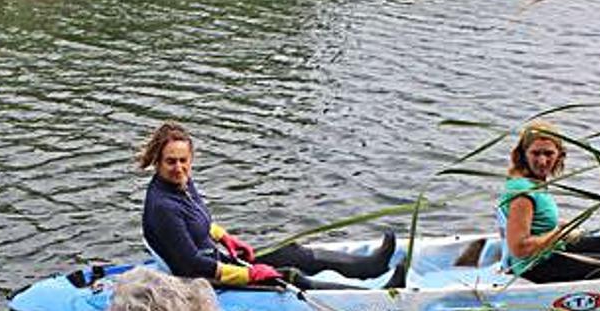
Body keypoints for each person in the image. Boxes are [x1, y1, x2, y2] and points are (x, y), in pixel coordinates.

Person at [138, 121, 405, 289]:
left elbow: (198, 219)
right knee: (289, 275)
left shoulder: (182, 183)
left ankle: (372, 266)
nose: (179, 167)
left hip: (217, 257)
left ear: (191, 158)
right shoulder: (163, 206)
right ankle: (377, 296)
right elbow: (193, 264)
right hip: (203, 277)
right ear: (158, 162)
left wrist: (225, 237)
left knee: (289, 252)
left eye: (184, 160)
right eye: (171, 161)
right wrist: (251, 275)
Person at [499, 120, 600, 283]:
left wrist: (561, 231)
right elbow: (520, 248)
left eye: (548, 153)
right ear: (523, 154)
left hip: (552, 249)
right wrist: (559, 233)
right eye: (535, 153)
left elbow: (535, 224)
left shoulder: (534, 182)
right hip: (537, 267)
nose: (542, 161)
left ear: (559, 155)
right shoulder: (523, 193)